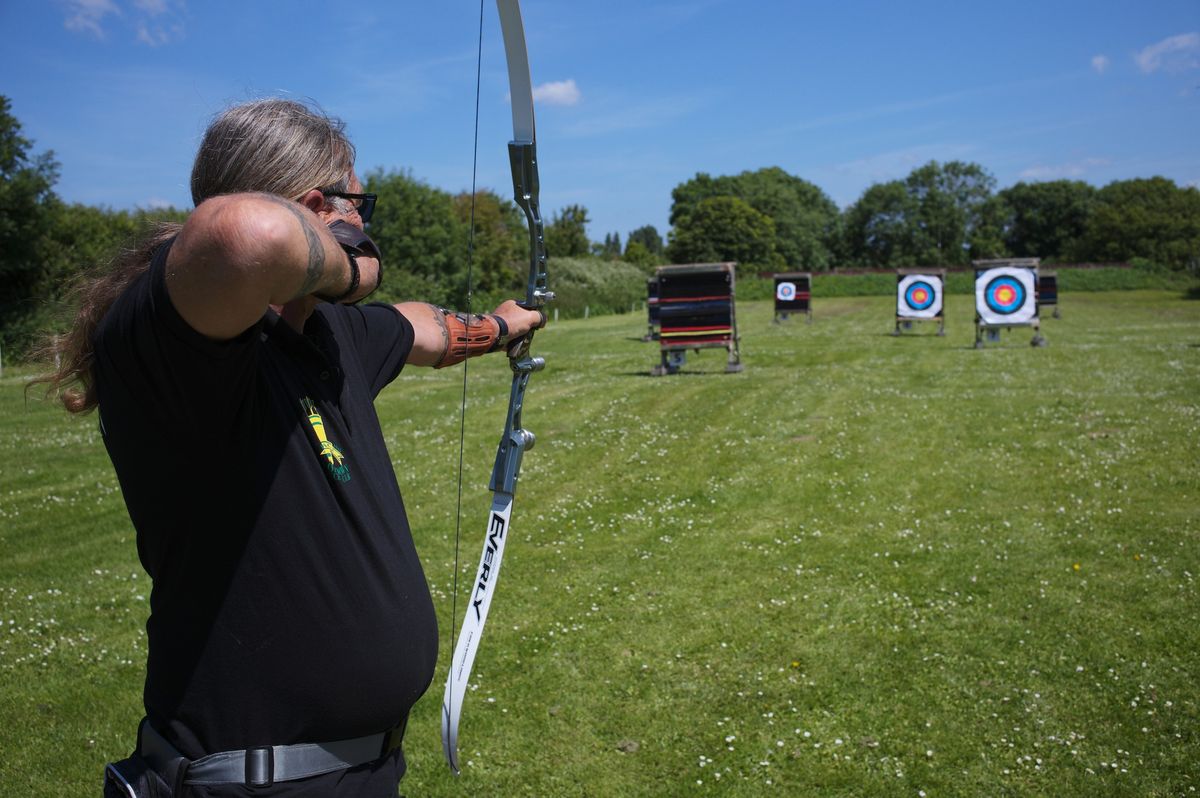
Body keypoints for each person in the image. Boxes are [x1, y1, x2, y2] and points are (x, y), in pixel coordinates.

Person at [36, 98, 544, 797]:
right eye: (355, 202)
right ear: (316, 204)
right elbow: (245, 234)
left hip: (360, 771)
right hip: (252, 781)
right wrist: (353, 268)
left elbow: (418, 327)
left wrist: (500, 325)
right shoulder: (180, 350)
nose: (365, 222)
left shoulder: (329, 337)